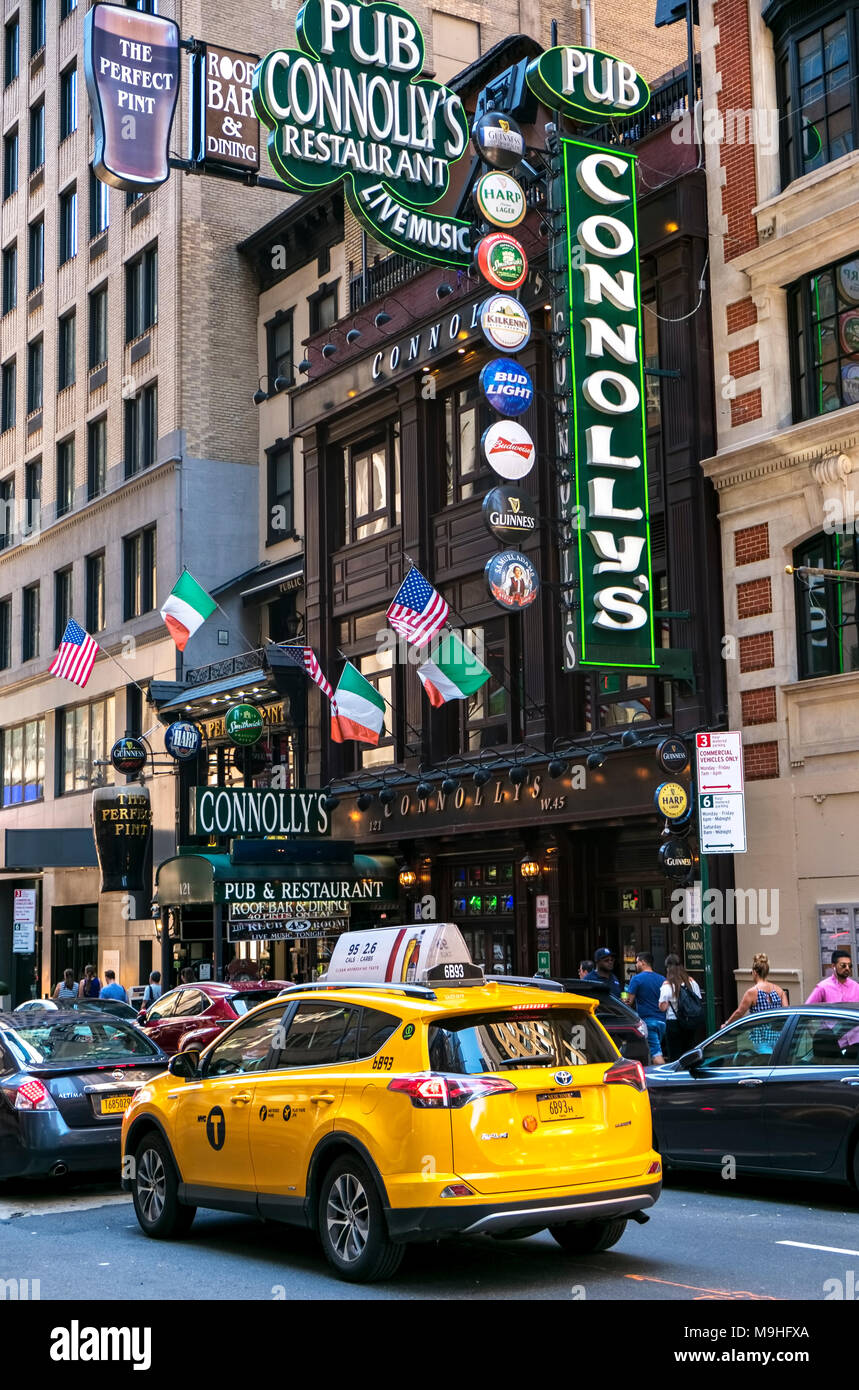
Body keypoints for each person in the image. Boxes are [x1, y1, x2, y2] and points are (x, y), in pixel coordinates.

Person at [723, 952, 787, 1025]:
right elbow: (786, 1013)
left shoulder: (752, 992)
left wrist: (726, 1024)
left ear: (755, 972)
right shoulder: (779, 991)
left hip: (759, 1035)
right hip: (777, 1035)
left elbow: (739, 1013)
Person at [659, 953, 703, 1060]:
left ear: (668, 968)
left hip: (673, 1022)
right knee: (688, 1053)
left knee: (675, 1055)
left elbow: (663, 1007)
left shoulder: (667, 985)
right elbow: (698, 999)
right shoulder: (691, 982)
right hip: (689, 1022)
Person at [626, 952, 668, 1064]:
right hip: (662, 1022)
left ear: (643, 963)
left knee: (656, 1054)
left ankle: (665, 1078)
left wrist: (623, 994)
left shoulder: (636, 979)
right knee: (653, 1051)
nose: (636, 965)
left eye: (637, 962)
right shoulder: (662, 979)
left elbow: (628, 1002)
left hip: (648, 1022)